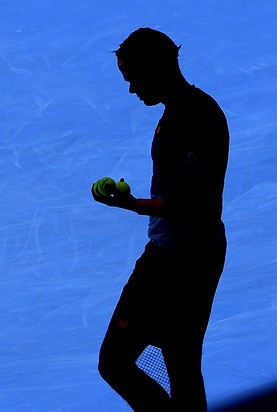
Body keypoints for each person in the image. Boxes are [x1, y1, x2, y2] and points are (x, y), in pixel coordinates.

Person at [93, 28, 229, 411]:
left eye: (134, 77)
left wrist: (132, 204)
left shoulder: (194, 116)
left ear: (157, 67)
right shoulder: (180, 112)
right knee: (174, 364)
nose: (132, 89)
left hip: (184, 261)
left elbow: (192, 204)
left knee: (132, 362)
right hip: (178, 253)